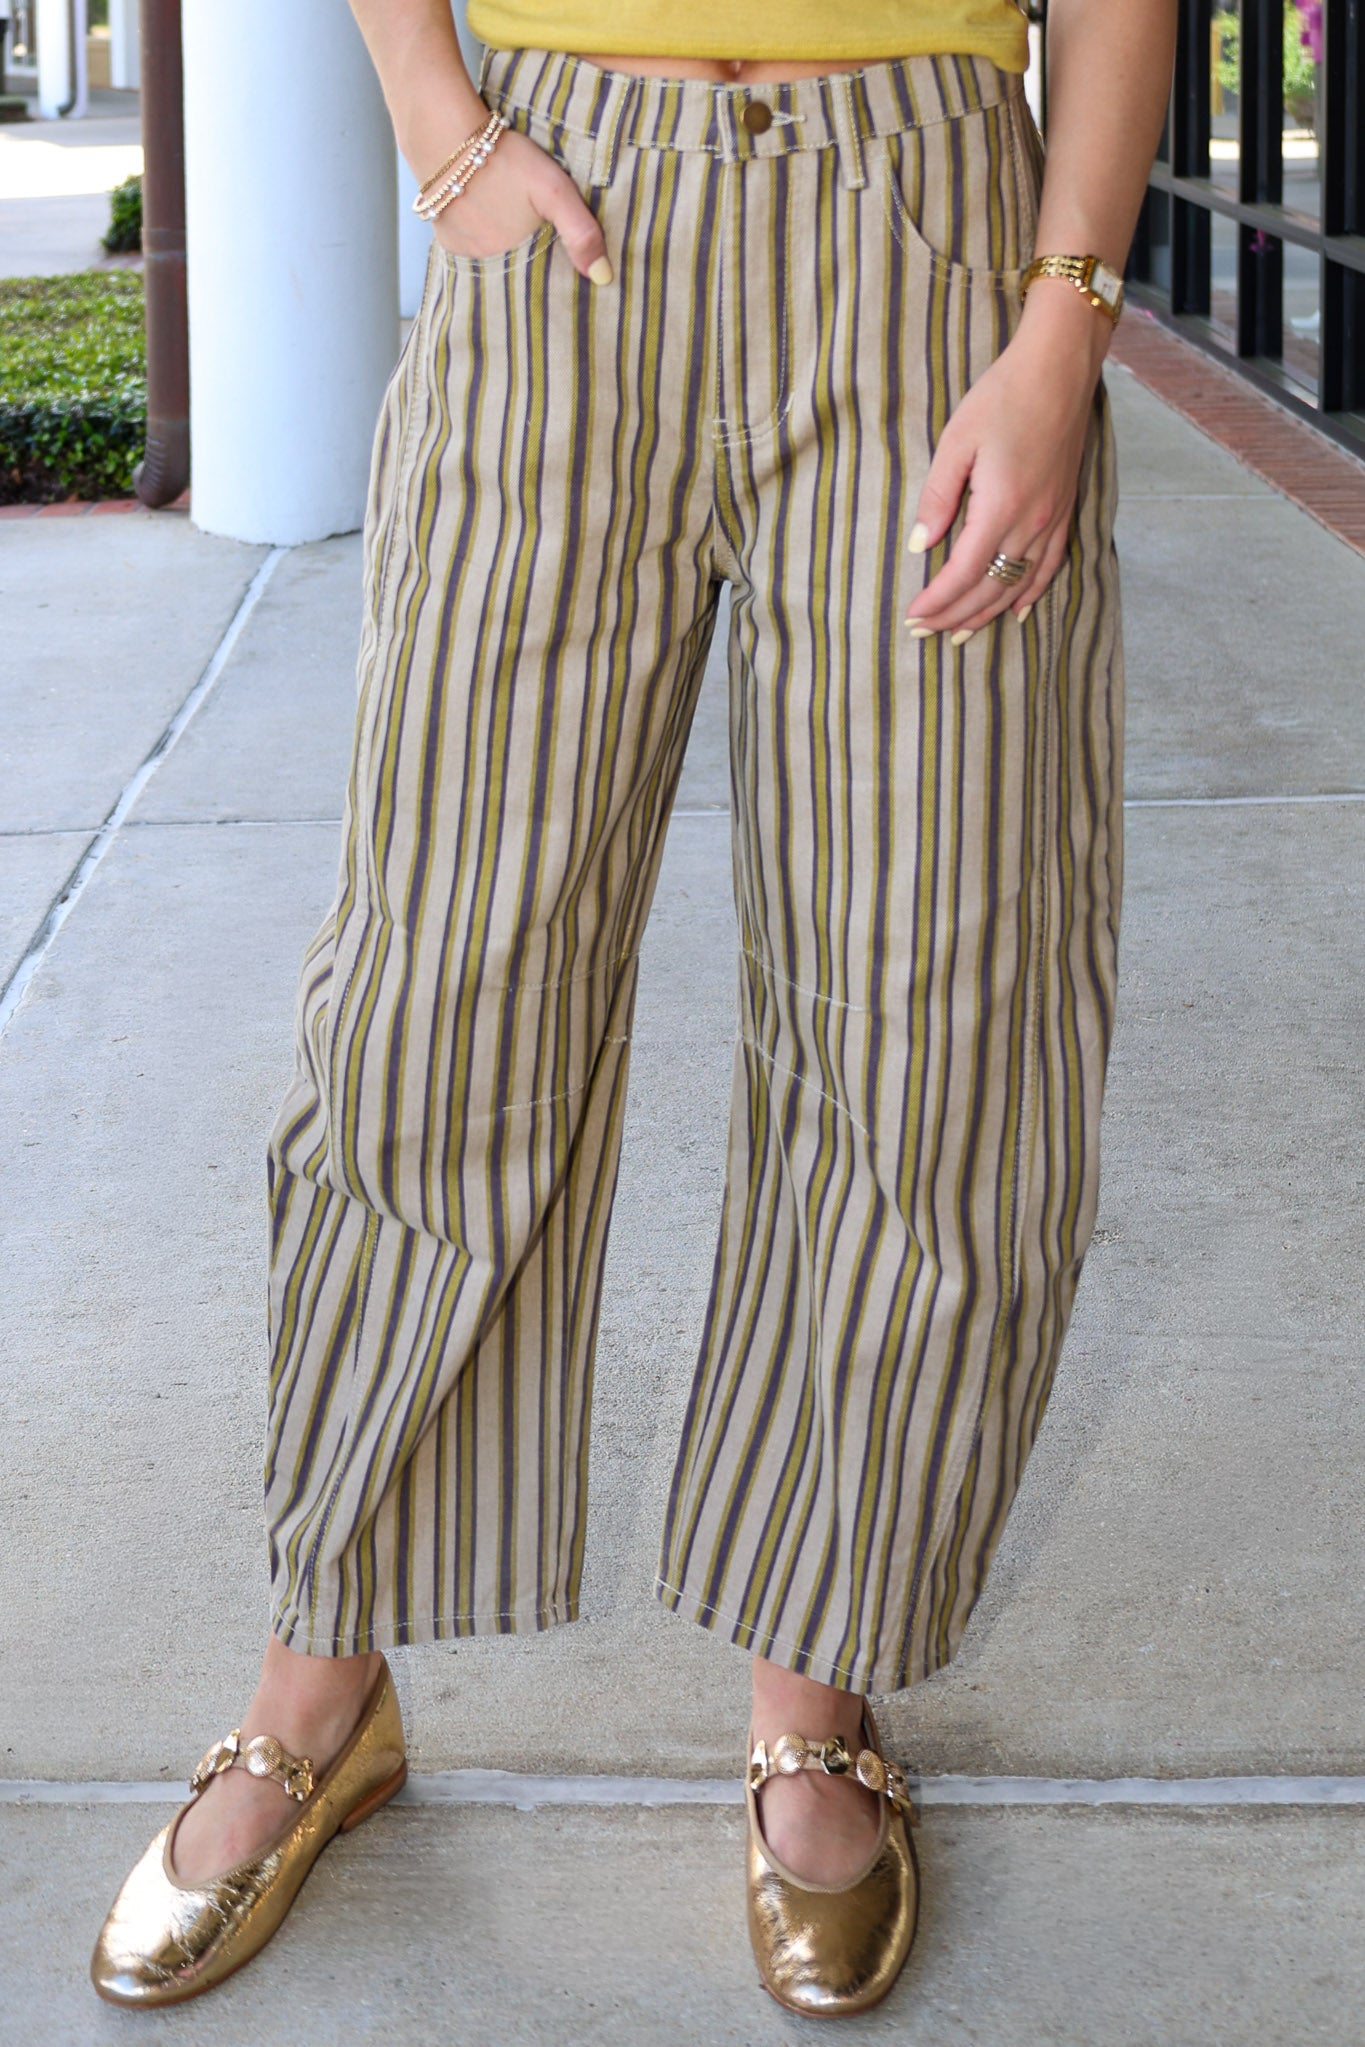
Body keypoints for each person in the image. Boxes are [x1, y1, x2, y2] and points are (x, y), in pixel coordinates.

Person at [91, 0, 1175, 2018]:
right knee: (435, 991)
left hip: (918, 225)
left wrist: (1060, 323)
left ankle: (812, 1691)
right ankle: (319, 1681)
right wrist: (436, 125)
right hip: (553, 194)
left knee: (927, 1007)